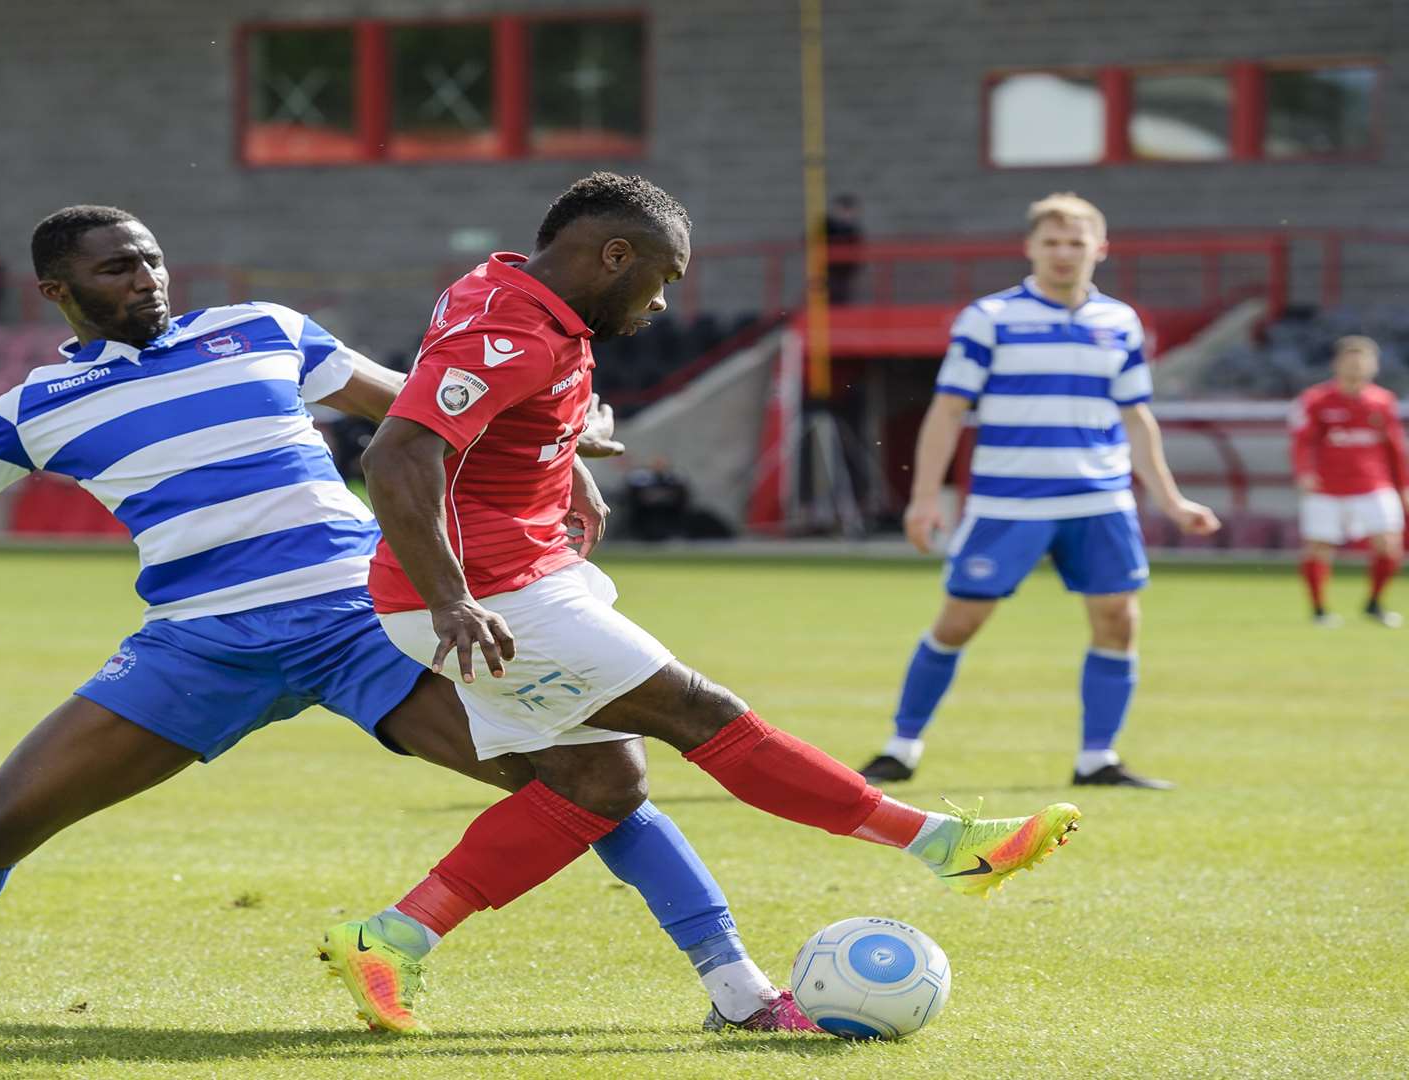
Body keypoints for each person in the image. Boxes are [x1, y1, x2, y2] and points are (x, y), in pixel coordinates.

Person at [0, 205, 809, 1033]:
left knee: (584, 778)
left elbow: (426, 412)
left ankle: (740, 990)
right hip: (201, 644)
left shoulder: (263, 329)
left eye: (148, 259)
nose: (142, 279)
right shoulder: (35, 407)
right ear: (59, 292)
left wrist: (561, 457)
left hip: (367, 620)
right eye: (112, 270)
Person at [321, 172, 1081, 1035]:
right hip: (487, 592)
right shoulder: (512, 329)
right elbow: (396, 453)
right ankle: (942, 846)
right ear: (614, 255)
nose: (661, 303)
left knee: (601, 786)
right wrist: (450, 594)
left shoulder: (497, 289)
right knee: (698, 710)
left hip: (516, 576)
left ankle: (394, 941)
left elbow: (488, 415)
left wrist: (568, 458)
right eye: (662, 278)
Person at [856, 192, 1220, 793]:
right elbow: (948, 412)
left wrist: (1173, 500)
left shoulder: (1121, 322)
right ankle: (901, 748)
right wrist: (925, 498)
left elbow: (1136, 418)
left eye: (1076, 242)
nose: (1063, 253)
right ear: (1029, 248)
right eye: (1051, 242)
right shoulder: (990, 318)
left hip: (1100, 500)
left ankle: (1097, 759)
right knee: (960, 621)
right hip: (1009, 502)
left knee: (1118, 620)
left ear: (1099, 249)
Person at [1291, 335, 1408, 628]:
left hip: (1374, 484)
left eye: (1363, 361)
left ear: (1374, 366)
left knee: (1389, 543)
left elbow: (1395, 447)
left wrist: (1403, 484)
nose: (1357, 367)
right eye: (1351, 360)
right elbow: (1303, 442)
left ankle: (1375, 603)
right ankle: (1319, 609)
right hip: (1327, 486)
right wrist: (1304, 472)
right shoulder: (1316, 400)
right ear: (1337, 364)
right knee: (1318, 547)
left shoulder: (1383, 401)